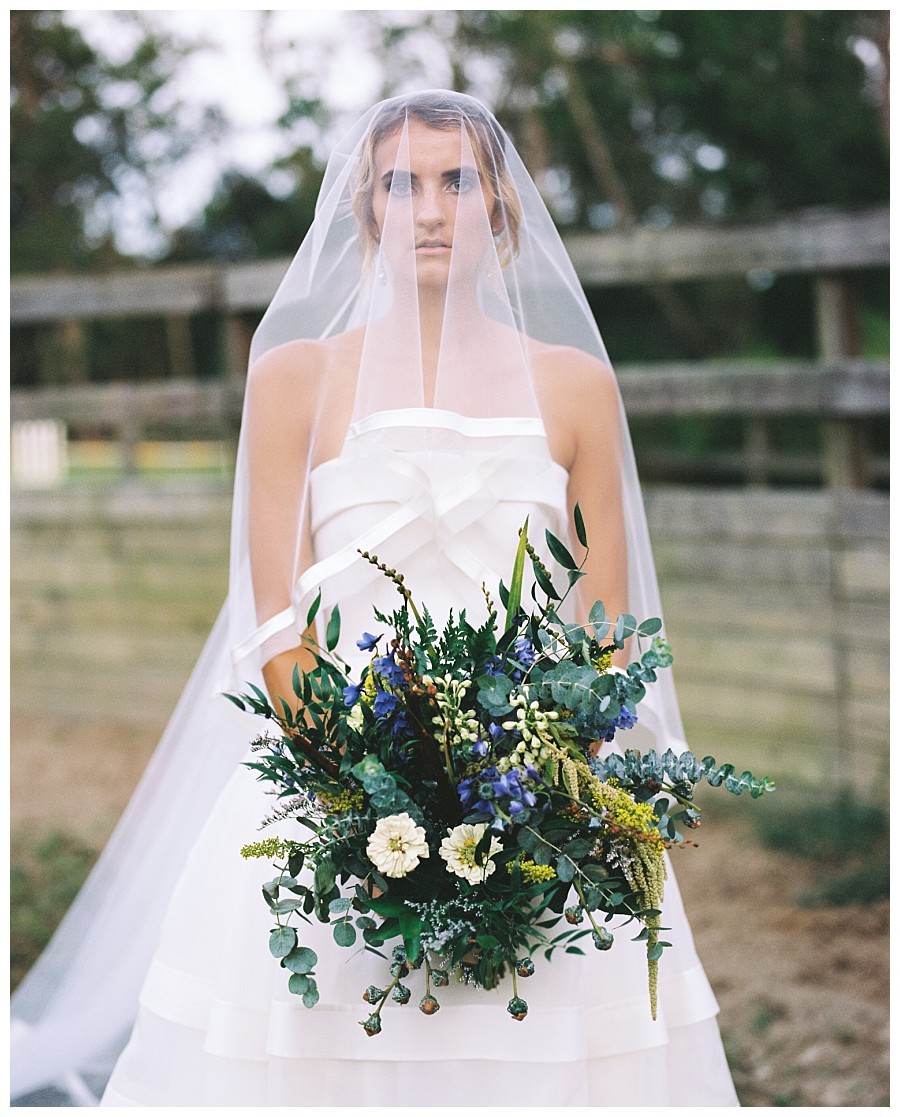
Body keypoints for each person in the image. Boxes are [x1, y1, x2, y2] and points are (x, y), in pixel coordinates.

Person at [11, 90, 738, 1107]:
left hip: (529, 783)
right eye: (400, 184)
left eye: (457, 183)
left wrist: (534, 779)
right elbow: (274, 620)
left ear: (504, 212)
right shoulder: (295, 380)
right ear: (365, 214)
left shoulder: (575, 387)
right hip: (333, 775)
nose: (429, 210)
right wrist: (370, 784)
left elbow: (607, 632)